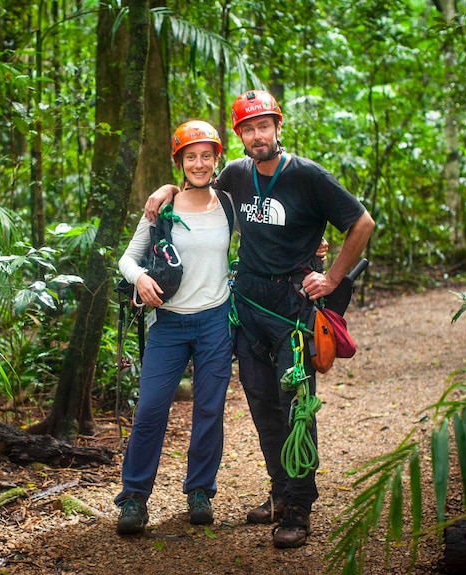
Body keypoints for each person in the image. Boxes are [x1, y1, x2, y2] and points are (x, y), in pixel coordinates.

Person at [144, 89, 375, 549]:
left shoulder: (308, 176)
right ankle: (280, 493)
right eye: (248, 128)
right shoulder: (234, 173)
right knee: (262, 406)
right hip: (248, 307)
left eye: (264, 125)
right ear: (240, 135)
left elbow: (362, 222)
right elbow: (197, 191)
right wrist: (167, 189)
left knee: (296, 407)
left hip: (293, 310)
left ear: (278, 127)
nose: (257, 135)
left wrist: (330, 277)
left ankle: (301, 508)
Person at [113, 120, 235, 536]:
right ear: (179, 163)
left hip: (216, 320)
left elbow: (268, 240)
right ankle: (134, 497)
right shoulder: (160, 209)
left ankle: (200, 489)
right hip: (168, 323)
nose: (199, 163)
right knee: (150, 410)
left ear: (217, 158)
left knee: (209, 408)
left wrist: (316, 247)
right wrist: (139, 279)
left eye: (206, 155)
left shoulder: (229, 204)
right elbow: (127, 259)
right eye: (190, 157)